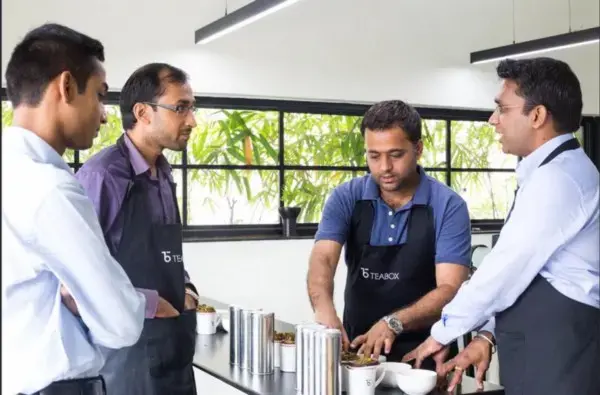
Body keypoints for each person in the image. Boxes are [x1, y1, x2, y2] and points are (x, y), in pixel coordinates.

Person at [402, 57, 600, 395]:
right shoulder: (550, 171)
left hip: (557, 352)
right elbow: (532, 274)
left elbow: (504, 269)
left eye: (502, 109)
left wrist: (442, 332)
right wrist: (486, 333)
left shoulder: (558, 179)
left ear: (537, 116)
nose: (493, 120)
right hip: (544, 347)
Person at [1, 23, 148, 395]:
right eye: (99, 96)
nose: (103, 115)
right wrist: (91, 299)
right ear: (66, 87)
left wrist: (75, 295)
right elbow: (122, 323)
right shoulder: (50, 188)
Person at [307, 100, 472, 367]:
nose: (384, 167)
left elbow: (450, 289)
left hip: (424, 355)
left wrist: (393, 323)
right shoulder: (346, 197)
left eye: (395, 155)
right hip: (358, 350)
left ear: (418, 149)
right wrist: (323, 308)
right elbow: (322, 258)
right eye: (374, 155)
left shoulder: (448, 206)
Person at [75, 63, 199, 395]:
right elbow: (74, 282)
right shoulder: (102, 177)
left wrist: (187, 290)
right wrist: (149, 304)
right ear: (142, 113)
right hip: (128, 357)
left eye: (192, 107)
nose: (192, 120)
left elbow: (166, 251)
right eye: (181, 108)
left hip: (174, 346)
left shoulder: (165, 172)